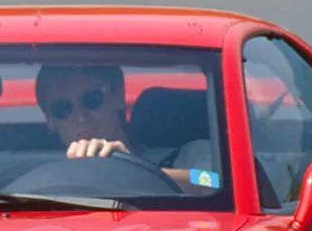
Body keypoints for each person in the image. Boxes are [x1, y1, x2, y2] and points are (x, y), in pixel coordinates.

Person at [34, 65, 213, 192]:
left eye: (92, 99)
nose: (81, 117)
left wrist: (131, 168)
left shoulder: (190, 154)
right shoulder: (43, 181)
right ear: (50, 120)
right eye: (62, 109)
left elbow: (213, 182)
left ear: (118, 96)